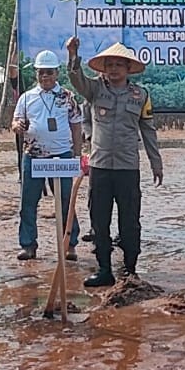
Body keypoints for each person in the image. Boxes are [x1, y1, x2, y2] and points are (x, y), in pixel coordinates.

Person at [69, 39, 164, 287]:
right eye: (109, 65)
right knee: (99, 220)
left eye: (118, 65)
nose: (113, 69)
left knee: (130, 220)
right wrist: (73, 55)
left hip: (127, 167)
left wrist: (156, 163)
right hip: (100, 167)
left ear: (128, 68)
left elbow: (148, 130)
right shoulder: (96, 90)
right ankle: (104, 270)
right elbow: (77, 81)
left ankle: (130, 270)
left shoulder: (140, 95)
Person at [12, 50, 84, 262]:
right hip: (33, 156)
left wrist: (77, 155)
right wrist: (18, 127)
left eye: (49, 72)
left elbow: (76, 127)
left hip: (61, 155)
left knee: (64, 201)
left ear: (57, 73)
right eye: (41, 72)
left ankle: (70, 243)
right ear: (36, 73)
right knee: (28, 201)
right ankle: (28, 245)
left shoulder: (68, 97)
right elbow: (15, 122)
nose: (45, 77)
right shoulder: (27, 98)